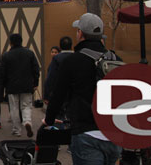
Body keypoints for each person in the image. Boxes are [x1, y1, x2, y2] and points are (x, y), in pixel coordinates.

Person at [44, 13, 123, 165]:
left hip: (86, 131)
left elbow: (58, 94)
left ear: (80, 34)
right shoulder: (115, 60)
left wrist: (49, 119)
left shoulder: (72, 61)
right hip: (114, 132)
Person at [1, 33, 40, 138]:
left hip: (12, 85)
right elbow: (36, 69)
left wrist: (4, 85)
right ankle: (27, 121)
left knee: (14, 108)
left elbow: (3, 73)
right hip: (27, 85)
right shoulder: (29, 53)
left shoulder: (6, 55)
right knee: (26, 106)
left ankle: (16, 129)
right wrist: (35, 83)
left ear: (11, 43)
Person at [44, 36, 73, 104]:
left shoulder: (57, 58)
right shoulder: (77, 57)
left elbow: (51, 77)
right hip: (74, 92)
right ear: (71, 45)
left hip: (60, 91)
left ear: (60, 46)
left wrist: (47, 95)